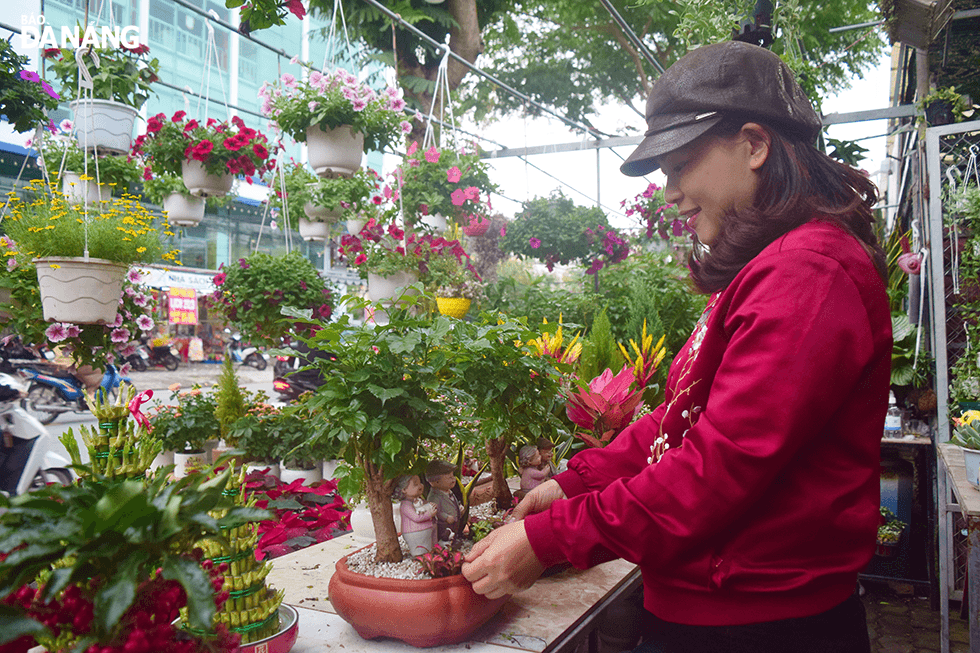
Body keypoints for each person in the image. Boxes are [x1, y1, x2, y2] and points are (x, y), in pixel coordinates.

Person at [462, 40, 891, 653]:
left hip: (760, 627)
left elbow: (716, 470)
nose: (668, 192)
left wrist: (554, 538)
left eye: (679, 165)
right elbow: (681, 421)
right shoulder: (772, 265)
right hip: (720, 611)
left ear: (754, 145)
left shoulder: (809, 275)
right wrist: (574, 483)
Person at [393, 474, 437, 557]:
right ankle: (420, 558)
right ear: (404, 490)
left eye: (420, 483)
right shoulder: (406, 505)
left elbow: (426, 506)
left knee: (428, 548)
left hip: (426, 530)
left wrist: (431, 506)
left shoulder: (420, 500)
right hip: (415, 532)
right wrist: (429, 514)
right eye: (415, 484)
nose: (420, 486)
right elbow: (416, 517)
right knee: (420, 550)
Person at [425, 459, 462, 542]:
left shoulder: (448, 491)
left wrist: (459, 507)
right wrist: (445, 517)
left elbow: (453, 502)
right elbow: (434, 510)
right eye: (449, 477)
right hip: (444, 524)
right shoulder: (434, 496)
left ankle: (454, 541)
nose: (453, 479)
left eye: (453, 476)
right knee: (445, 535)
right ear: (436, 481)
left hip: (454, 522)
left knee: (453, 534)